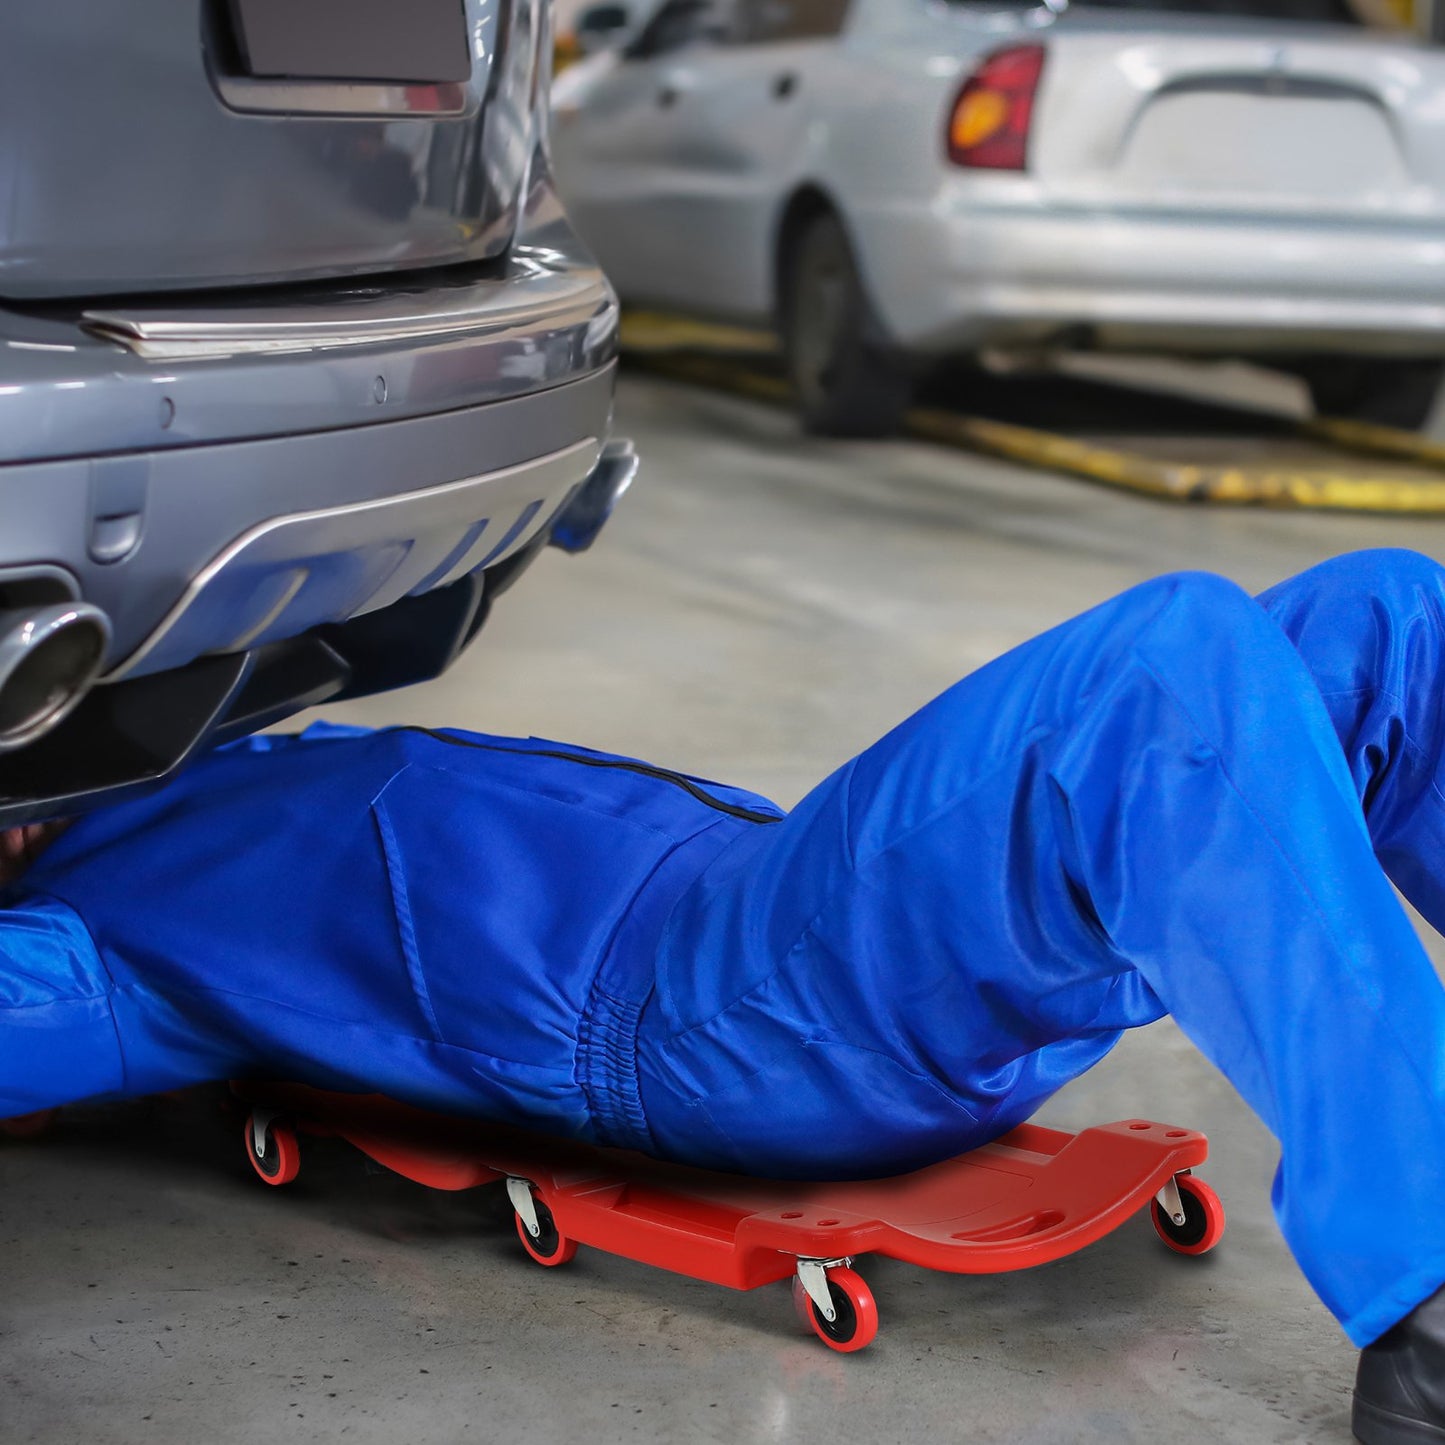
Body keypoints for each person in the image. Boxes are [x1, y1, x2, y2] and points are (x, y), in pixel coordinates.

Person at [2, 547, 1445, 1444]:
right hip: (699, 1013)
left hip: (779, 905)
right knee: (1165, 662)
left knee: (1390, 618)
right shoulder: (100, 942)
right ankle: (1429, 1299)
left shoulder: (189, 761)